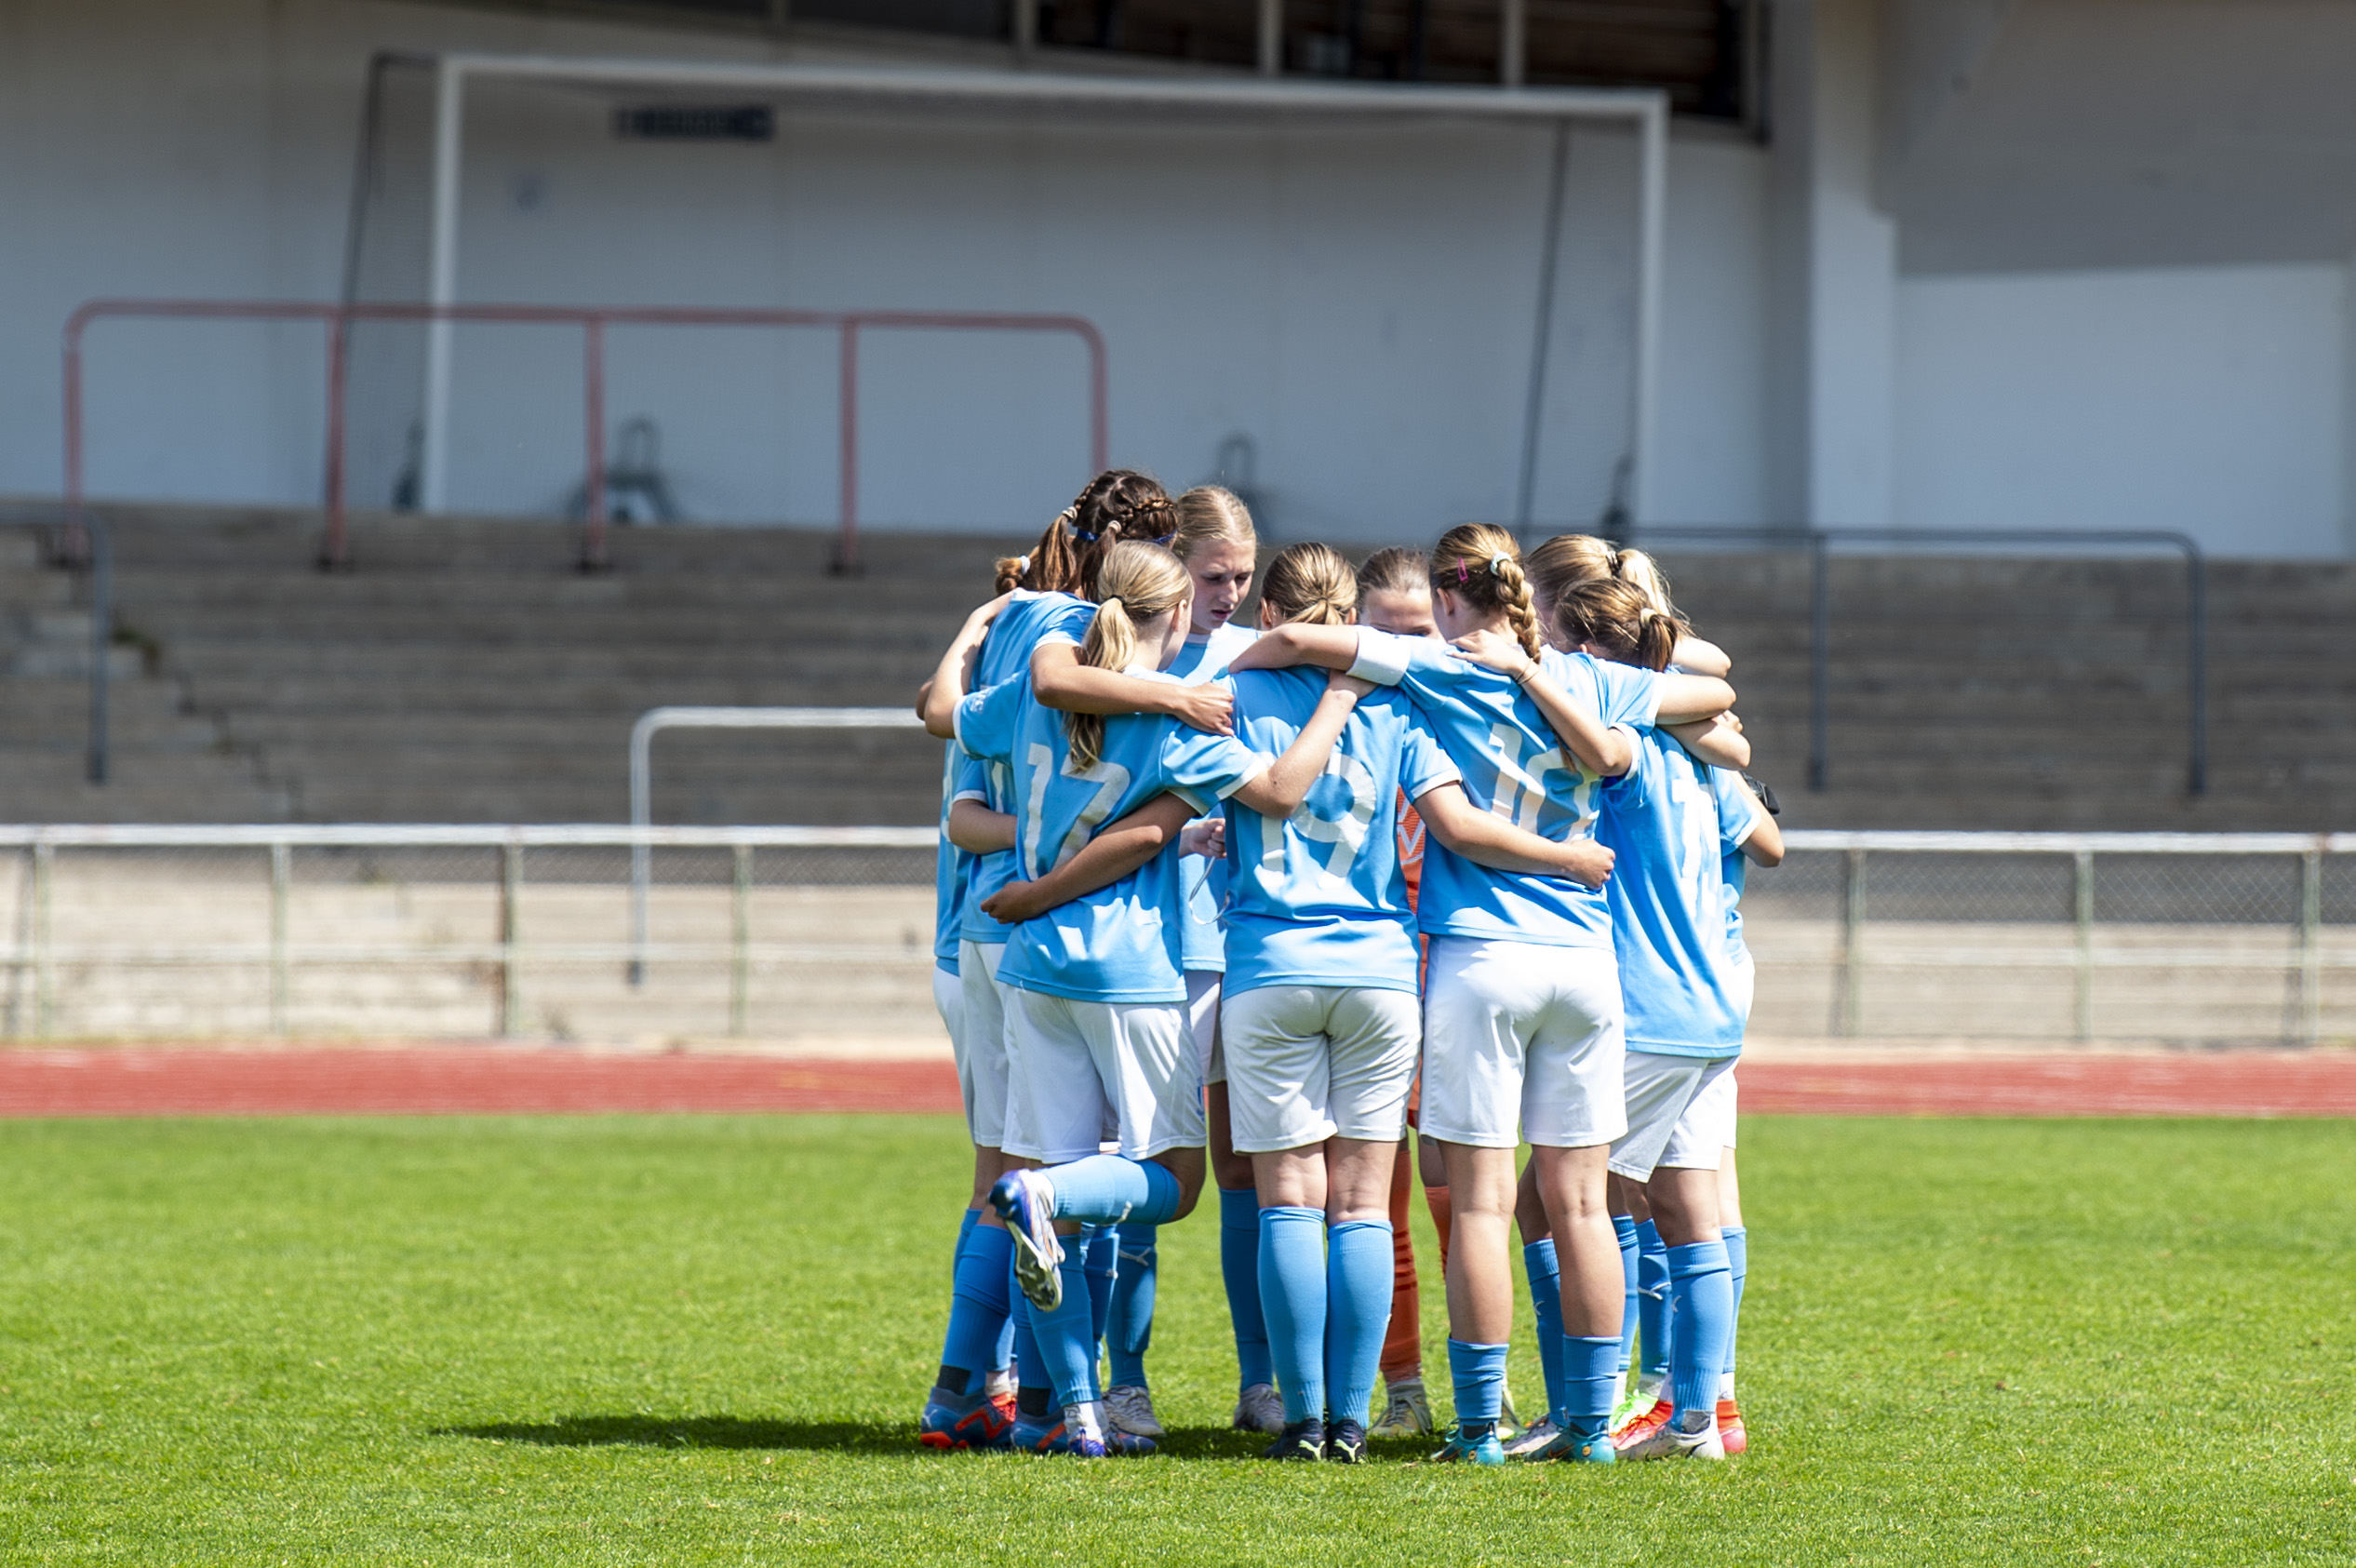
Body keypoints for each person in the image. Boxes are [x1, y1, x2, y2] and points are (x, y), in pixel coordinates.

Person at [1227, 522, 1735, 1465]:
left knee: (1481, 1204)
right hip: (1583, 962)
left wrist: (1237, 661)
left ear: (1451, 600)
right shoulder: (1587, 678)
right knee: (1584, 1202)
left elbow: (1298, 640)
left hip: (1477, 958)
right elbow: (1713, 686)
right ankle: (1590, 1426)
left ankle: (1476, 1426)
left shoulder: (1439, 667)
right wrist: (1547, 668)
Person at [954, 541, 1367, 1458]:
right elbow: (1278, 790)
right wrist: (1343, 693)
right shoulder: (1185, 721)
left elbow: (949, 716)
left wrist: (986, 631)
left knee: (1042, 1200)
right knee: (1173, 1185)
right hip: (1131, 970)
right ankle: (1046, 1195)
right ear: (1179, 617)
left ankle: (1072, 1414)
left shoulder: (1038, 683)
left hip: (1032, 968)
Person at [912, 471, 1228, 1453]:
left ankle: (1027, 1401)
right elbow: (1068, 694)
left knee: (1016, 1172)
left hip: (997, 932)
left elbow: (950, 747)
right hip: (1066, 941)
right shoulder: (1066, 635)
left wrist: (968, 633)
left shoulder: (1020, 622)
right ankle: (1000, 1389)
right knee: (1112, 1179)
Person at [1108, 485, 1265, 1441]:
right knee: (1152, 1164)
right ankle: (1127, 1381)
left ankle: (1262, 1382)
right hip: (1163, 949)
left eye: (1244, 577)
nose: (1230, 595)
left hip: (1249, 944)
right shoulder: (1130, 662)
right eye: (1214, 576)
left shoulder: (1259, 656)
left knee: (1247, 1167)